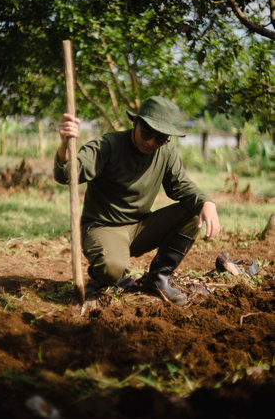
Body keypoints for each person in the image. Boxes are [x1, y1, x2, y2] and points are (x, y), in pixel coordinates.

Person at [54, 96, 220, 306]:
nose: (151, 142)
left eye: (160, 138)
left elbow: (181, 186)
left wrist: (207, 202)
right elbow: (67, 175)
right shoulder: (107, 145)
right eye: (147, 133)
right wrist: (64, 145)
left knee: (194, 210)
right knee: (112, 270)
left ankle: (158, 278)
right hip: (103, 228)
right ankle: (100, 277)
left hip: (140, 228)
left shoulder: (165, 152)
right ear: (135, 123)